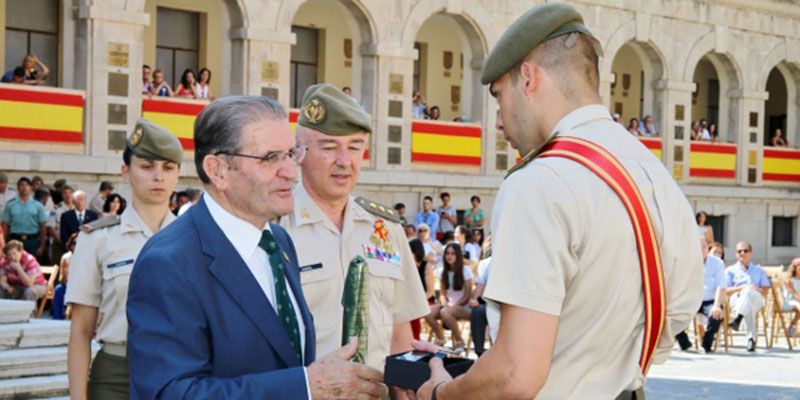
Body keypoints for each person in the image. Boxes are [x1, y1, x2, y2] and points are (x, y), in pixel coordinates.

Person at [414, 4, 702, 399]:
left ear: (528, 79)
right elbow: (680, 314)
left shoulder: (539, 183)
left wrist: (439, 393)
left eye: (499, 97)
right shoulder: (654, 174)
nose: (499, 121)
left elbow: (516, 373)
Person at [128, 95, 385, 399]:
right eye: (270, 158)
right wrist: (305, 387)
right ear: (218, 170)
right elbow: (170, 394)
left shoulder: (278, 241)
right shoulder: (169, 262)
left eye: (291, 154)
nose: (290, 171)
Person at [281, 84, 428, 395]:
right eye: (329, 147)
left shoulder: (385, 229)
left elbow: (400, 329)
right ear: (299, 153)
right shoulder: (275, 230)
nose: (345, 161)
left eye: (355, 146)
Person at [65, 119, 183, 399]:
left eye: (168, 168)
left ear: (178, 174)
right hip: (116, 375)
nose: (158, 176)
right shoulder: (98, 239)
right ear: (126, 172)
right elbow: (81, 331)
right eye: (146, 166)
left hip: (179, 371)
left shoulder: (195, 238)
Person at [674, 237, 727, 353]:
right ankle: (684, 343)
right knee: (672, 313)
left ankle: (706, 343)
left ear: (707, 248)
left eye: (703, 247)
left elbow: (721, 286)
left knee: (716, 314)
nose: (700, 250)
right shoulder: (685, 262)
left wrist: (717, 305)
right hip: (691, 300)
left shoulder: (718, 263)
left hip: (710, 301)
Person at [726, 241, 771, 352]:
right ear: (736, 254)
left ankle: (738, 319)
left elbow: (765, 291)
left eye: (745, 250)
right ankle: (750, 338)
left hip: (757, 298)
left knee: (750, 293)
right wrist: (744, 288)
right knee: (748, 300)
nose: (742, 253)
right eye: (739, 251)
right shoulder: (730, 270)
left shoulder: (758, 270)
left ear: (751, 253)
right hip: (736, 299)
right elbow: (726, 291)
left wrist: (754, 289)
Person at [438, 243, 473, 353]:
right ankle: (440, 338)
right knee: (428, 312)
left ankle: (459, 341)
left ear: (458, 255)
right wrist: (445, 305)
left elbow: (467, 296)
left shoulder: (466, 270)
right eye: (447, 253)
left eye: (453, 253)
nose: (450, 256)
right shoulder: (442, 271)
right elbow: (443, 294)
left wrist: (451, 307)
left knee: (445, 312)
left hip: (465, 307)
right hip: (448, 307)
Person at [2, 177, 48, 257]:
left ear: (31, 188)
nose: (24, 187)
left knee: (31, 267)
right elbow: (5, 224)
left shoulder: (38, 205)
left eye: (27, 185)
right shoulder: (10, 205)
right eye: (21, 185)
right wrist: (4, 243)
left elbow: (43, 225)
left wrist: (42, 245)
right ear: (17, 188)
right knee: (14, 265)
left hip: (32, 240)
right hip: (14, 240)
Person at [408, 238, 441, 342]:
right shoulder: (407, 266)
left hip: (426, 299)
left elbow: (431, 292)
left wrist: (416, 300)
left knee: (412, 309)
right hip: (411, 299)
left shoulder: (426, 266)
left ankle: (415, 340)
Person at [52, 232, 78, 320]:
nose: (77, 245)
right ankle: (57, 319)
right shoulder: (66, 257)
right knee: (58, 289)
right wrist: (65, 272)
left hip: (83, 287)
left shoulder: (89, 257)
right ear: (71, 244)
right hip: (68, 286)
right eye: (75, 243)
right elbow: (62, 280)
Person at [782, 258, 800, 337]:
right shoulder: (789, 280)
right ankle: (792, 325)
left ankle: (792, 325)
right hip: (789, 301)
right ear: (795, 269)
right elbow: (794, 294)